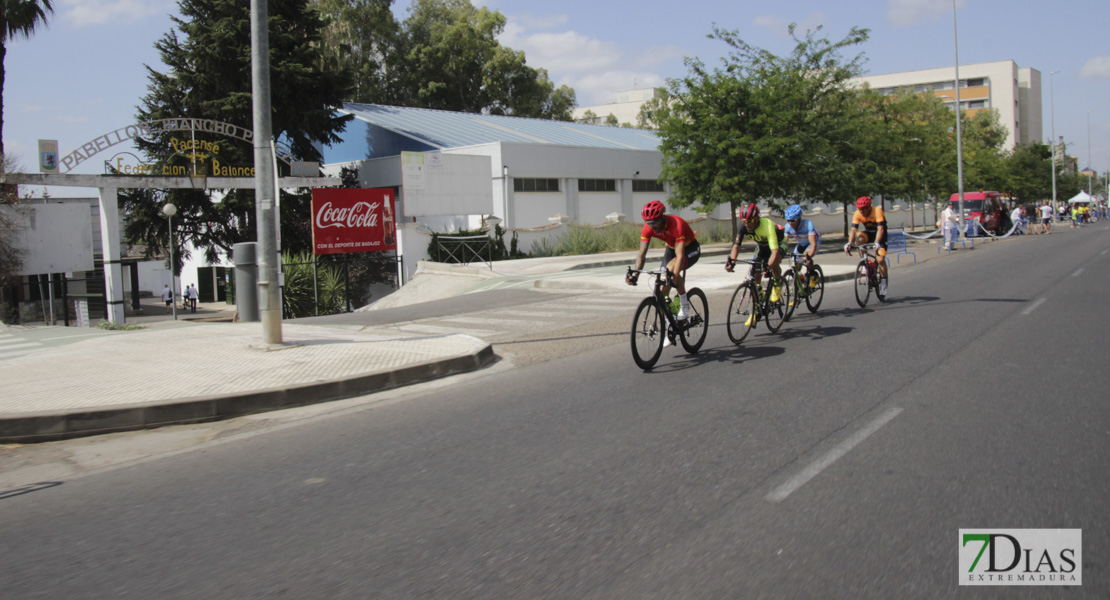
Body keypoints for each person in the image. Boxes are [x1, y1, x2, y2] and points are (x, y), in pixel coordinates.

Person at [626, 200, 701, 322]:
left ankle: (684, 303)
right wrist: (636, 275)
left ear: (663, 218)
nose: (652, 227)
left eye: (655, 223)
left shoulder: (676, 224)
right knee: (661, 292)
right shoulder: (648, 228)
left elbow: (680, 256)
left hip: (690, 248)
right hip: (671, 249)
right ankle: (670, 325)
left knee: (671, 270)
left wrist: (675, 277)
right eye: (649, 223)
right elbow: (641, 254)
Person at [725, 203, 785, 314]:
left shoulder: (767, 225)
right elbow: (737, 246)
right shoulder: (743, 226)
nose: (747, 224)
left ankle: (777, 284)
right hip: (762, 245)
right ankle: (758, 300)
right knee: (755, 271)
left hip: (779, 244)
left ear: (756, 218)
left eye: (750, 221)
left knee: (774, 263)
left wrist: (768, 266)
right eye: (744, 221)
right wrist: (732, 262)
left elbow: (774, 251)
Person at [845, 196, 888, 296]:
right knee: (858, 241)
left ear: (869, 207)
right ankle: (865, 261)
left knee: (880, 260)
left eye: (862, 209)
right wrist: (849, 243)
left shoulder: (877, 211)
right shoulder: (857, 213)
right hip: (868, 233)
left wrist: (877, 242)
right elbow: (853, 230)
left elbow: (881, 229)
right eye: (859, 209)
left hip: (880, 234)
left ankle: (884, 284)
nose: (860, 211)